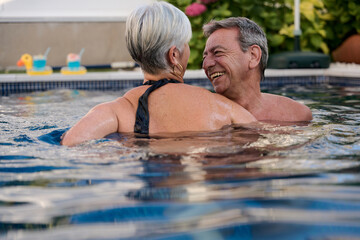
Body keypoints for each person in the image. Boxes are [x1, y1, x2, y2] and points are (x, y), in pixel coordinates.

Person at [61, 2, 256, 146]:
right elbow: (262, 145)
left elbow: (71, 143)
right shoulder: (224, 108)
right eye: (185, 44)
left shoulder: (116, 111)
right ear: (174, 55)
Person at [202, 17, 313, 122]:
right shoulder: (200, 117)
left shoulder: (297, 115)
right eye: (204, 57)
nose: (205, 65)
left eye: (217, 52)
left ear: (253, 56)